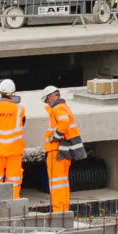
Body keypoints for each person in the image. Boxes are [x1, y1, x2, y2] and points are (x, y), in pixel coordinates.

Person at [41, 85, 86, 214]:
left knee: (56, 182)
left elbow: (64, 123)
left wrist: (55, 137)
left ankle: (58, 210)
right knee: (62, 182)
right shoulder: (64, 107)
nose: (47, 103)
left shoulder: (58, 108)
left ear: (50, 97)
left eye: (46, 100)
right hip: (62, 151)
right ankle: (63, 209)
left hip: (57, 151)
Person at [0, 78, 26, 198]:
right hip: (14, 152)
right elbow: (22, 124)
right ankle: (13, 210)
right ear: (13, 92)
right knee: (13, 183)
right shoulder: (19, 109)